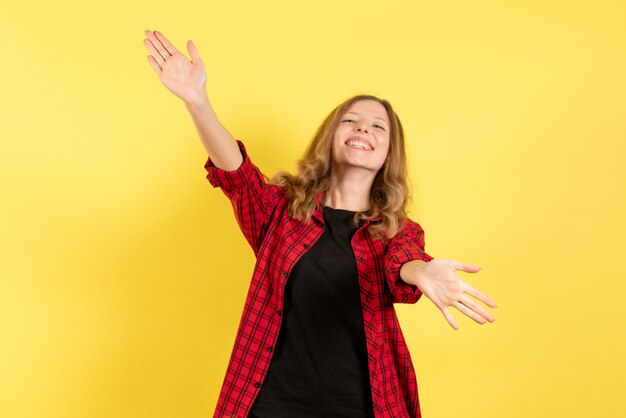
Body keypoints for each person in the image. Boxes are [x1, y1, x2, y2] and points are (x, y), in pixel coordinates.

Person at [143, 30, 498, 418]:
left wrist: (424, 271)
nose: (364, 129)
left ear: (387, 154)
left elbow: (402, 263)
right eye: (352, 120)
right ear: (331, 138)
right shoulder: (280, 211)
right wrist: (197, 101)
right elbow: (237, 174)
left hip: (361, 405)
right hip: (270, 404)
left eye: (378, 126)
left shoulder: (396, 230)